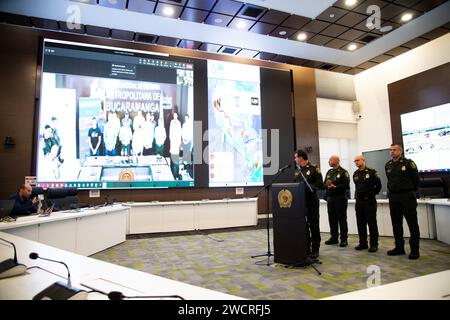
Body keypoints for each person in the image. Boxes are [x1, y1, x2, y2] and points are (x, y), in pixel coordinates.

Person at [385, 143, 420, 259]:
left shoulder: (408, 163)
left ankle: (415, 250)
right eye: (391, 150)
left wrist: (411, 191)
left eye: (394, 150)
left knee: (412, 223)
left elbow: (416, 180)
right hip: (394, 198)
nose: (392, 152)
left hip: (407, 196)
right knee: (396, 223)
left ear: (400, 151)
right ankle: (399, 247)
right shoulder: (388, 165)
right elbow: (389, 180)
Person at [294, 150, 324, 259]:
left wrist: (309, 186)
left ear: (301, 158)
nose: (295, 159)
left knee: (314, 225)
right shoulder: (297, 171)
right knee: (303, 226)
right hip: (300, 202)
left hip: (311, 201)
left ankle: (315, 249)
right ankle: (306, 247)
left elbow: (320, 184)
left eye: (296, 157)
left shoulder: (314, 169)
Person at [353, 155, 382, 252]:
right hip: (359, 202)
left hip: (369, 201)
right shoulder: (355, 174)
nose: (356, 162)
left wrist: (372, 194)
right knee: (360, 223)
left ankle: (374, 244)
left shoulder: (372, 172)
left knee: (372, 223)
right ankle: (363, 243)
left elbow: (378, 185)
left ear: (363, 160)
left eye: (358, 160)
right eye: (355, 161)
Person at [324, 155, 350, 247]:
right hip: (330, 198)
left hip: (340, 198)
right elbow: (324, 183)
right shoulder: (329, 172)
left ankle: (344, 239)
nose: (328, 161)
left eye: (330, 160)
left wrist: (335, 187)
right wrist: (327, 186)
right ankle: (334, 238)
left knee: (342, 219)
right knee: (332, 219)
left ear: (337, 161)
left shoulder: (343, 172)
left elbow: (346, 185)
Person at [169, 112, 182, 179]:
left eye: (175, 115)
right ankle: (172, 175)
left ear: (177, 116)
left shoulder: (179, 123)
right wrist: (171, 139)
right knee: (172, 160)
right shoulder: (171, 122)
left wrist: (179, 143)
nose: (175, 116)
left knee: (176, 160)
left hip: (177, 143)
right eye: (174, 115)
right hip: (172, 143)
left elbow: (180, 133)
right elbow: (170, 132)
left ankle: (176, 174)